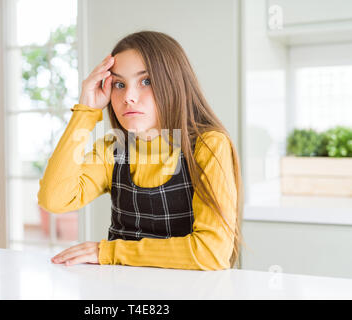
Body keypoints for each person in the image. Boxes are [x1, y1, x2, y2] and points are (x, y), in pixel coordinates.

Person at [38, 30, 244, 270]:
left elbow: (211, 252)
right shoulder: (112, 148)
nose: (129, 97)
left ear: (174, 83)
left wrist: (108, 251)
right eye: (119, 84)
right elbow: (53, 199)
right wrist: (85, 111)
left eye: (146, 81)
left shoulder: (210, 145)